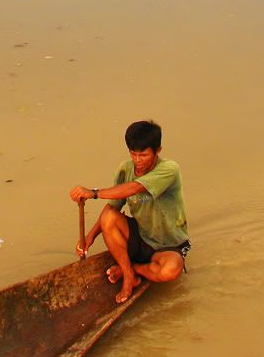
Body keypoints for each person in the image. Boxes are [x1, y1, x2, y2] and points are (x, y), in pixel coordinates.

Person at [69, 120, 191, 304]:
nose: (137, 161)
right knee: (109, 216)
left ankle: (132, 268)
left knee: (171, 270)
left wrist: (93, 193)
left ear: (157, 151)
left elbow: (134, 188)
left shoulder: (169, 169)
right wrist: (90, 236)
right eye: (133, 154)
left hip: (168, 244)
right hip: (141, 236)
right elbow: (113, 206)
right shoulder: (125, 168)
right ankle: (129, 277)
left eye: (143, 155)